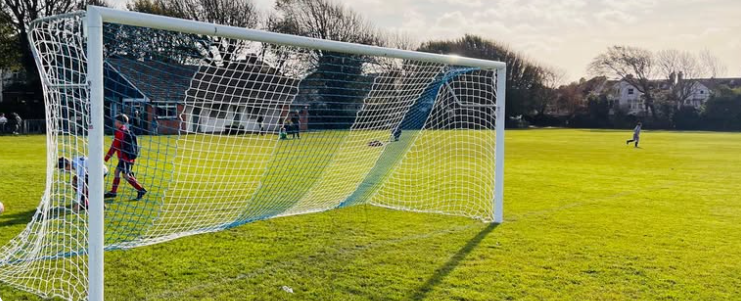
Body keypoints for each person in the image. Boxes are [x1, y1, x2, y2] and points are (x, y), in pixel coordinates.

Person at [104, 114, 147, 200]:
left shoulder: (120, 132)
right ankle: (113, 192)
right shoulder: (125, 130)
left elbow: (114, 146)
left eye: (115, 121)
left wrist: (106, 158)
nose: (114, 122)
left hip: (125, 158)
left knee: (126, 175)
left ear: (119, 122)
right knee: (117, 172)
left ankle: (141, 190)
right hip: (127, 157)